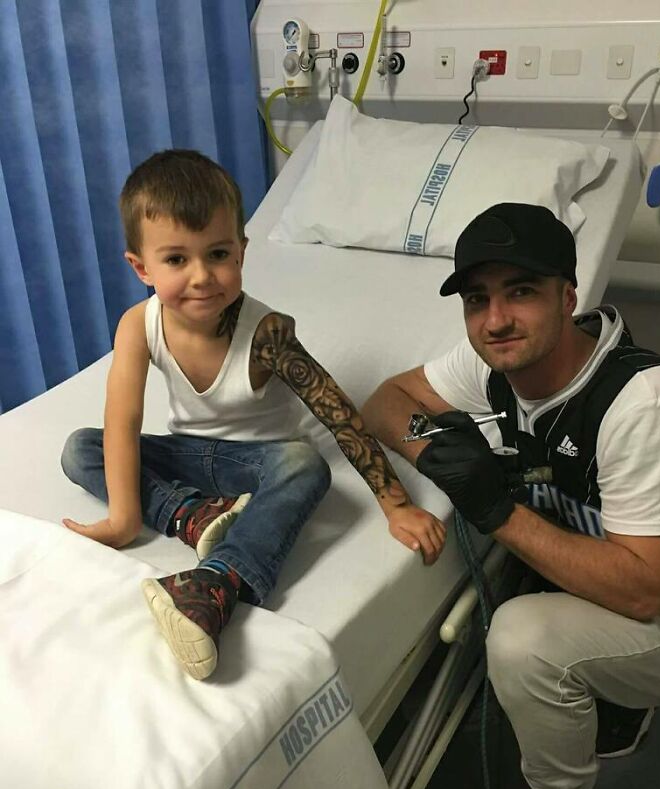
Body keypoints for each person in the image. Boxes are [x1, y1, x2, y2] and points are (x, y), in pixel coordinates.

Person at [361, 202, 660, 789]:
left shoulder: (644, 401)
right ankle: (618, 695)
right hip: (632, 584)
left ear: (568, 297)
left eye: (521, 291)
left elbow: (644, 592)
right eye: (478, 300)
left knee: (519, 636)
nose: (496, 319)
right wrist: (435, 448)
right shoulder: (494, 367)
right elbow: (384, 402)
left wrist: (496, 508)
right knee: (545, 553)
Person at [61, 149, 445, 680]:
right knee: (82, 446)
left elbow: (338, 415)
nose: (202, 277)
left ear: (242, 251)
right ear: (141, 267)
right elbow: (122, 422)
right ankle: (193, 516)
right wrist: (124, 520)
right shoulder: (137, 324)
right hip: (194, 457)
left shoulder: (267, 333)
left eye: (218, 254)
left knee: (306, 465)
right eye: (177, 260)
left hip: (261, 464)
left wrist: (398, 506)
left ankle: (215, 579)